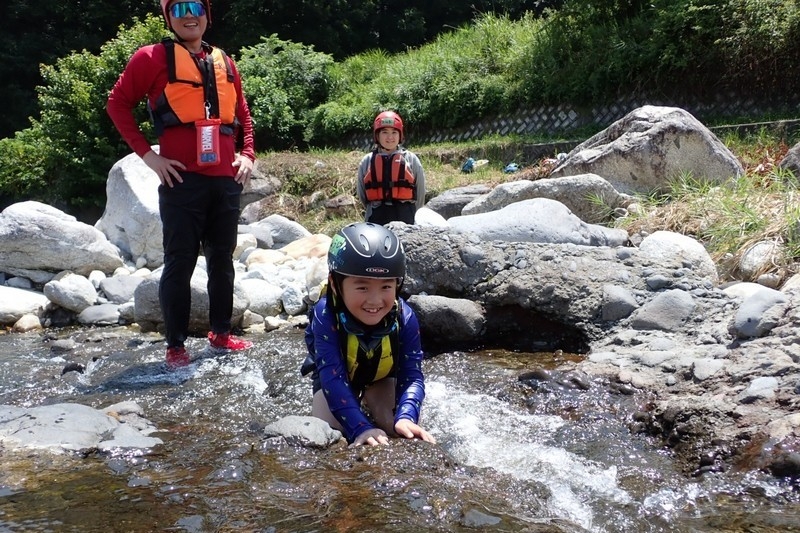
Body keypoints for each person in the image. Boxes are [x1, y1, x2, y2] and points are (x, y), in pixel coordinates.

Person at [107, 0, 255, 369]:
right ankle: (175, 346)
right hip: (181, 180)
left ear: (208, 14)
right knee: (180, 260)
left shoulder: (225, 60)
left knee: (222, 260)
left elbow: (243, 114)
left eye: (197, 7)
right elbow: (117, 104)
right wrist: (149, 156)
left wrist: (248, 154)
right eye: (179, 9)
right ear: (168, 17)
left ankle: (220, 334)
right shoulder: (150, 57)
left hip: (225, 180)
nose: (190, 15)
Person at [302, 222, 436, 446]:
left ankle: (376, 401)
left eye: (385, 287)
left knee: (393, 426)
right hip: (337, 376)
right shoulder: (325, 315)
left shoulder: (405, 317)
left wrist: (407, 415)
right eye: (362, 287)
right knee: (332, 433)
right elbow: (332, 378)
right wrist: (360, 427)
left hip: (381, 377)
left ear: (397, 285)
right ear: (335, 285)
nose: (374, 301)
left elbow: (412, 376)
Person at [356, 111, 426, 225]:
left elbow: (420, 192)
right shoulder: (367, 161)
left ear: (400, 135)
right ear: (377, 136)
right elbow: (362, 194)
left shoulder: (411, 159)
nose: (390, 137)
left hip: (405, 215)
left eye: (394, 132)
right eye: (384, 132)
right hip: (376, 214)